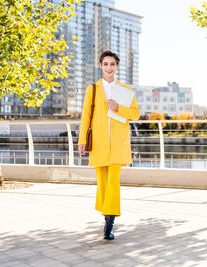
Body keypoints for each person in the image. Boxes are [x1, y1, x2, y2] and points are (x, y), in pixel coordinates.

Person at [78, 51, 140, 240]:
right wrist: (82, 140)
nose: (109, 68)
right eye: (105, 64)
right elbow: (85, 117)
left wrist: (118, 108)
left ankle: (109, 224)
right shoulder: (93, 89)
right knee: (103, 185)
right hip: (99, 144)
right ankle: (107, 215)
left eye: (112, 64)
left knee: (113, 183)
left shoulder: (125, 90)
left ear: (117, 66)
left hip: (119, 145)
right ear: (101, 66)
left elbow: (136, 114)